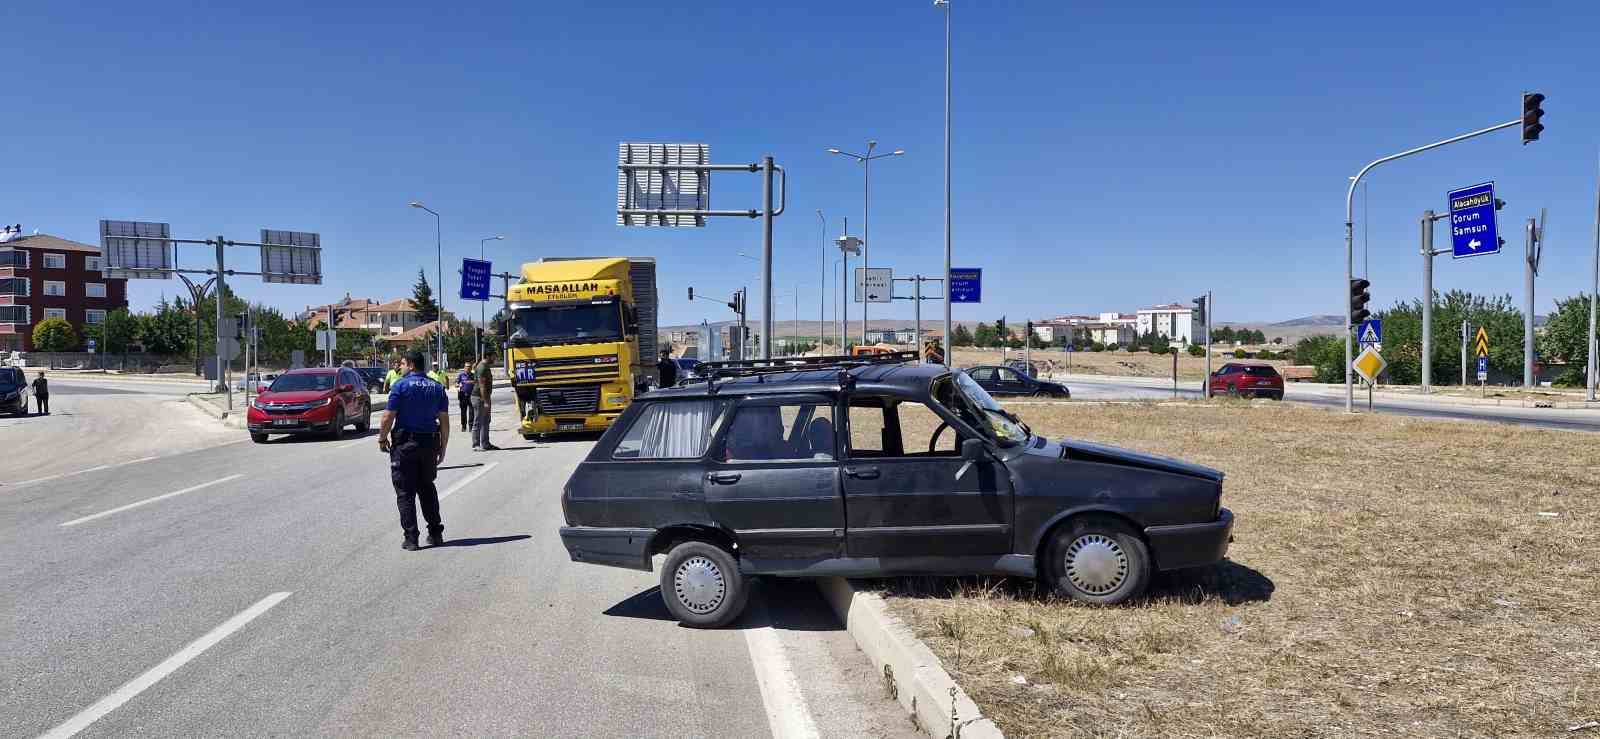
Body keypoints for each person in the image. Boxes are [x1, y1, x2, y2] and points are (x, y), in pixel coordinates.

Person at [378, 351, 450, 551]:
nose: (400, 367)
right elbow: (444, 421)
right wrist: (443, 447)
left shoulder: (400, 386)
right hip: (429, 444)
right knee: (427, 488)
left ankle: (411, 539)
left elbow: (387, 417)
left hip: (405, 445)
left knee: (405, 493)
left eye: (402, 363)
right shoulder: (437, 387)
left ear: (410, 365)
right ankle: (436, 534)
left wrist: (382, 438)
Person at [472, 357, 498, 451]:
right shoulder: (482, 368)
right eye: (493, 356)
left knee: (486, 420)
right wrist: (485, 401)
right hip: (479, 397)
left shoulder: (486, 366)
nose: (494, 359)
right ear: (488, 356)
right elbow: (482, 385)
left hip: (485, 397)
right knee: (478, 421)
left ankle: (485, 443)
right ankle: (476, 445)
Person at [455, 365, 477, 432]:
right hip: (463, 395)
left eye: (469, 367)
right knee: (463, 412)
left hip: (471, 395)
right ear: (464, 368)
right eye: (467, 367)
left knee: (471, 412)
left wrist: (472, 382)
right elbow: (456, 383)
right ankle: (463, 426)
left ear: (471, 368)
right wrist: (458, 385)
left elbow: (477, 382)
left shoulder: (473, 375)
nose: (468, 368)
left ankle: (471, 426)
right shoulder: (461, 375)